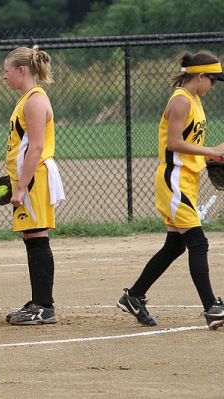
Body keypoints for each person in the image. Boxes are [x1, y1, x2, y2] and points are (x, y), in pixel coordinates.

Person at [117, 50, 224, 330]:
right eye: (212, 80)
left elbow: (189, 143)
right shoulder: (180, 101)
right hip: (173, 179)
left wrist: (210, 156)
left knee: (175, 244)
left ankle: (134, 296)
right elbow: (174, 143)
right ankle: (212, 308)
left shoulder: (194, 100)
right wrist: (211, 150)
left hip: (187, 179)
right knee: (198, 242)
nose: (213, 86)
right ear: (200, 76)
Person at [2, 46, 65, 326]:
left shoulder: (35, 100)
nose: (4, 76)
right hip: (29, 179)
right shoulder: (26, 99)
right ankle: (39, 299)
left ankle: (45, 306)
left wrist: (20, 188)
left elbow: (37, 147)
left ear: (21, 70)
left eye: (6, 71)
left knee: (38, 238)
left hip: (35, 179)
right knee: (32, 238)